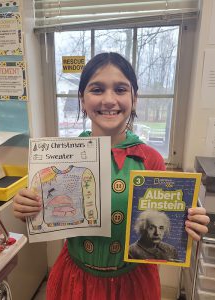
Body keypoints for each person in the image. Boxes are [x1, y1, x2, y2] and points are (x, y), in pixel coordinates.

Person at [13, 52, 210, 300]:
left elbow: (166, 217)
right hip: (76, 281)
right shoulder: (62, 156)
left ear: (134, 99)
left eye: (120, 89)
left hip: (133, 284)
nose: (109, 99)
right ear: (82, 100)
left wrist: (188, 223)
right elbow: (46, 213)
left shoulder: (150, 160)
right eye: (97, 89)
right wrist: (27, 208)